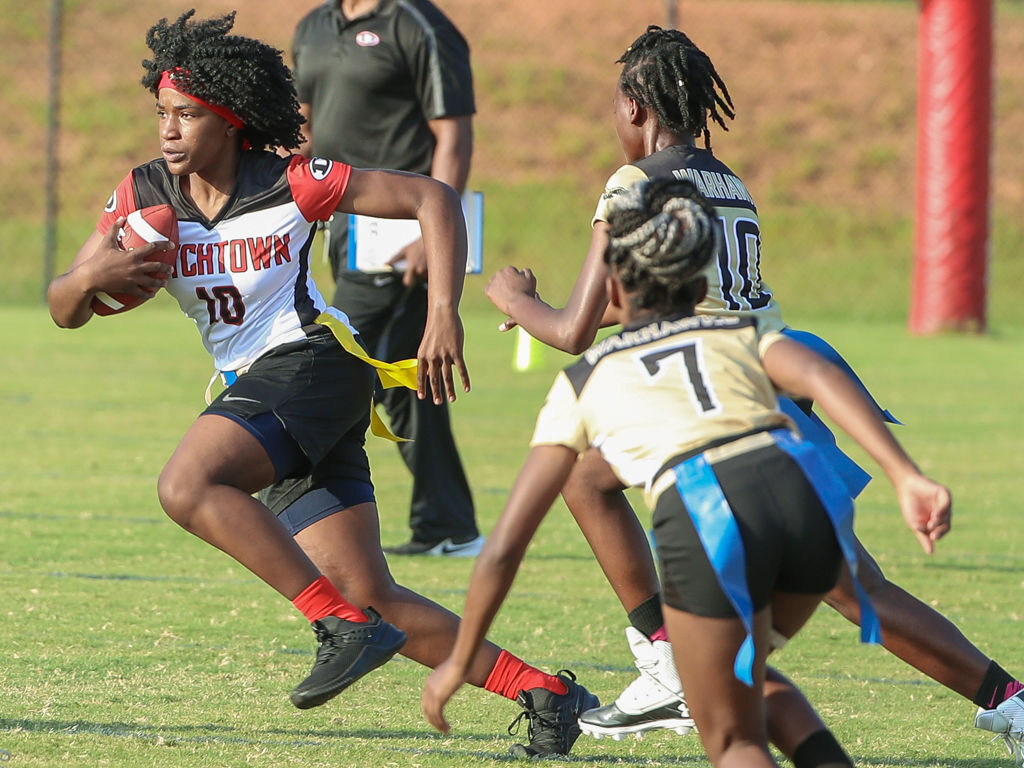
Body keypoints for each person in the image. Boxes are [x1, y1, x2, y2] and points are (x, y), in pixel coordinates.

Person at [46, 11, 596, 758]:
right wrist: (89, 277)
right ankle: (546, 692)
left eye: (187, 115)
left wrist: (443, 315)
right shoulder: (142, 196)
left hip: (313, 363)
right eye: (162, 114)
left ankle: (336, 627)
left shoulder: (292, 182)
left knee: (187, 486)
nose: (168, 131)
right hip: (267, 390)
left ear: (233, 122)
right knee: (372, 593)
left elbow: (432, 199)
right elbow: (63, 309)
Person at [485, 24, 1024, 747]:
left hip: (724, 404)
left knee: (848, 588)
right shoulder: (725, 181)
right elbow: (671, 299)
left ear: (638, 109)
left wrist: (517, 299)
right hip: (766, 386)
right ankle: (1008, 699)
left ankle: (672, 661)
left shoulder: (633, 184)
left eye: (616, 108)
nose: (613, 124)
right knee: (594, 483)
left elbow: (576, 330)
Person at [423, 177, 952, 768]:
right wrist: (906, 475)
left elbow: (504, 548)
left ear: (613, 286)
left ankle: (675, 674)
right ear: (702, 284)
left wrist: (459, 657)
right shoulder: (737, 332)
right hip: (810, 509)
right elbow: (820, 372)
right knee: (738, 678)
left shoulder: (587, 378)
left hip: (715, 517)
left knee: (731, 738)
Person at [291, 0, 482, 557]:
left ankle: (297, 515)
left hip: (400, 228)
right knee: (405, 386)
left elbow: (454, 134)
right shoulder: (313, 27)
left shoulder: (418, 24)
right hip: (338, 223)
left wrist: (431, 233)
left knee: (338, 363)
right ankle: (448, 525)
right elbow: (302, 127)